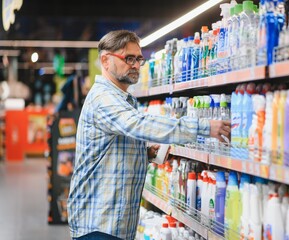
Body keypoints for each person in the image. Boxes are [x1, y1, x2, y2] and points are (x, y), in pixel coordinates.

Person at [67, 30, 231, 240]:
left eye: (138, 59)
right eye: (128, 58)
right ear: (105, 60)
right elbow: (138, 124)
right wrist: (204, 127)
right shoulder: (103, 98)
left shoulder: (123, 98)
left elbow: (112, 146)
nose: (135, 65)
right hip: (99, 225)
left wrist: (144, 152)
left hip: (113, 225)